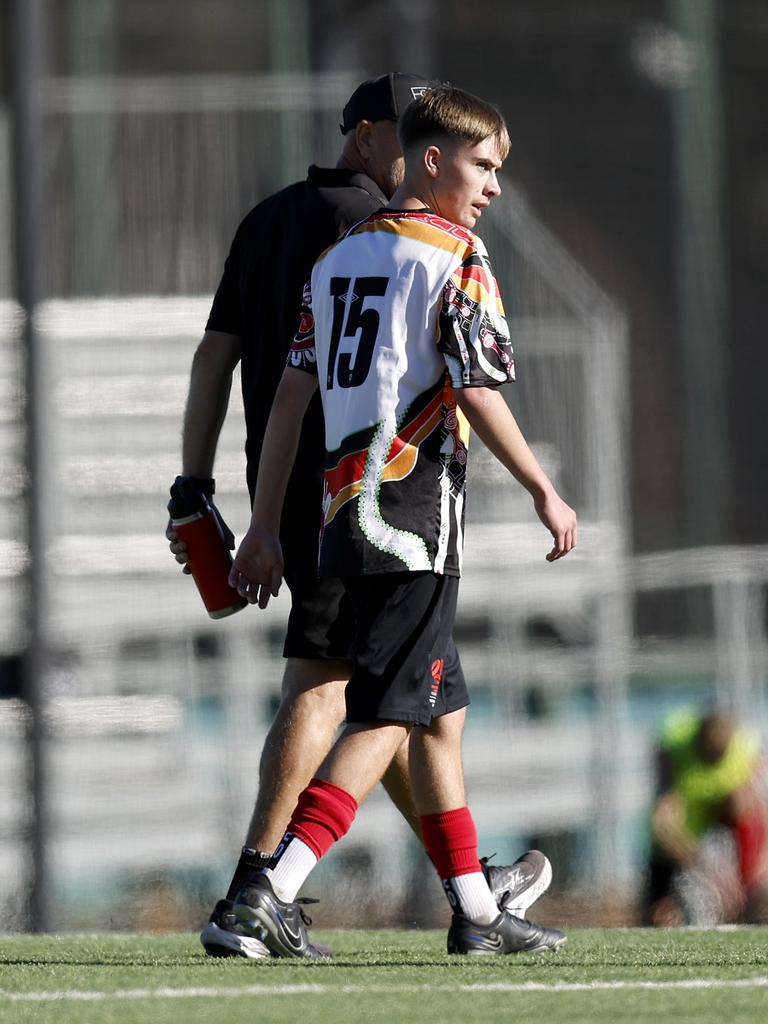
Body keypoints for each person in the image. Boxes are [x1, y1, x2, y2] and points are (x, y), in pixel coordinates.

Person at [167, 74, 552, 959]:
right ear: (380, 139)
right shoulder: (424, 241)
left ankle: (471, 898)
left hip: (322, 500)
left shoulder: (280, 228)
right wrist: (540, 487)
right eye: (477, 163)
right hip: (397, 504)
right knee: (357, 700)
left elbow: (220, 362)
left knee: (426, 705)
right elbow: (470, 384)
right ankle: (264, 885)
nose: (488, 183)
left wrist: (216, 494)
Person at [642, 707, 768, 926]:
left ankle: (749, 897)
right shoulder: (675, 745)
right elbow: (663, 820)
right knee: (659, 899)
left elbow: (757, 812)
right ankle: (655, 913)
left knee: (742, 807)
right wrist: (701, 866)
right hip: (688, 819)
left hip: (719, 816)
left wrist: (756, 870)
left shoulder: (746, 749)